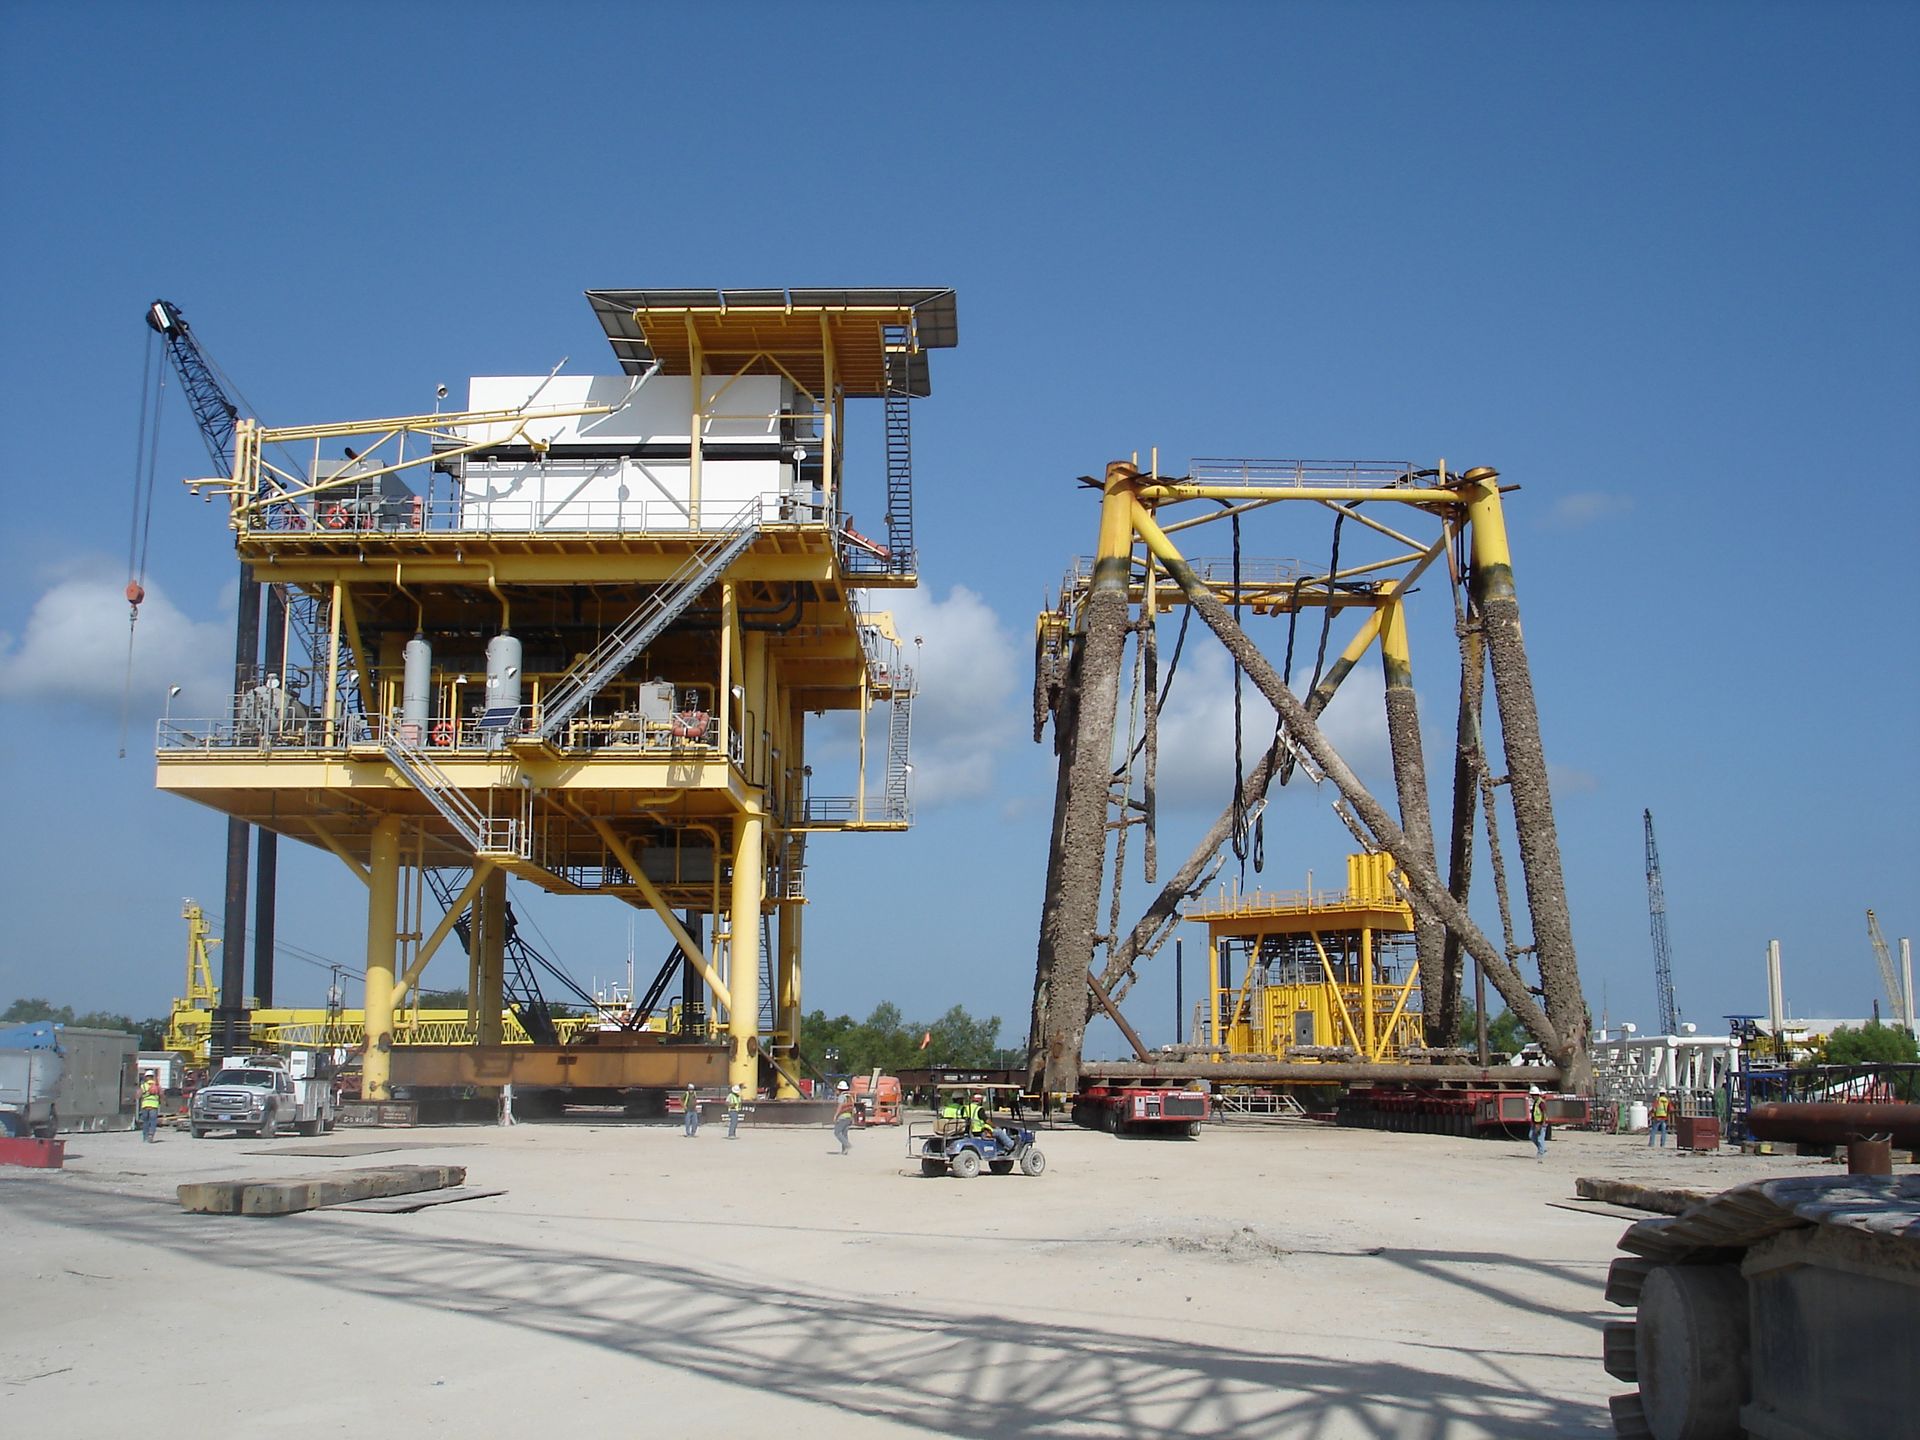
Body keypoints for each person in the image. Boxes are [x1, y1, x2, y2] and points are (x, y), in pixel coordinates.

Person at [138, 1072, 162, 1142]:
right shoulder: (157, 1086)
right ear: (153, 1077)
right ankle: (151, 1135)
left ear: (146, 1077)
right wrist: (165, 1102)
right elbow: (162, 1094)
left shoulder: (143, 1086)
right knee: (153, 1122)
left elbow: (138, 1095)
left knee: (145, 1122)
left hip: (145, 1106)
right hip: (154, 1106)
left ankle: (145, 1137)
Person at [832, 1080, 854, 1154]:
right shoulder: (850, 1096)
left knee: (837, 1132)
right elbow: (852, 1107)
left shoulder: (841, 1097)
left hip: (842, 1117)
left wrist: (835, 1115)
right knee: (844, 1134)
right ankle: (844, 1150)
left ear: (839, 1089)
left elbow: (840, 1106)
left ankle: (847, 1145)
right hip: (849, 1117)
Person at [1528, 1086, 1548, 1160]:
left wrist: (1542, 1124)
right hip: (1535, 1123)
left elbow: (1544, 1113)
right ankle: (1542, 1149)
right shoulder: (1536, 1102)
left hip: (1540, 1124)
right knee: (1531, 1136)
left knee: (1540, 1139)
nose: (1532, 1097)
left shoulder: (1541, 1102)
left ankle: (1541, 1152)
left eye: (1532, 1095)